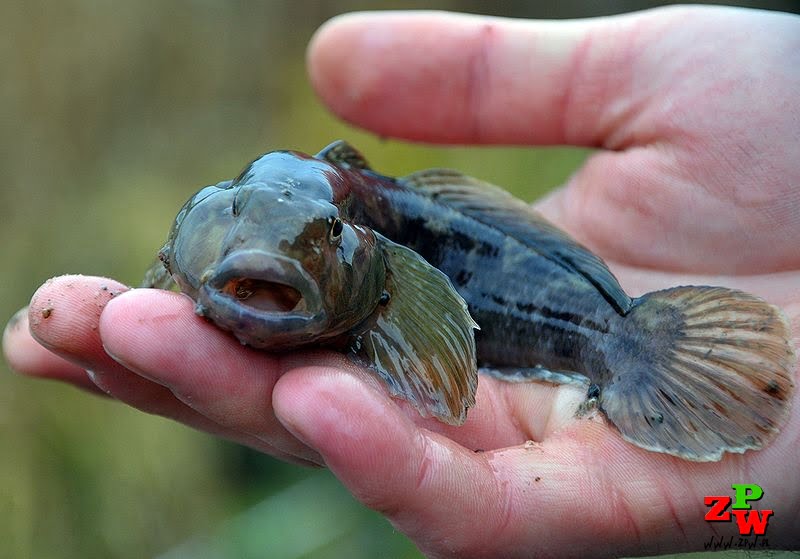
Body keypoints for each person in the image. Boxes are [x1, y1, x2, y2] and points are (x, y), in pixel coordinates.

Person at [3, 5, 799, 557]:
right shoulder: (214, 236)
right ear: (198, 224)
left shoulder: (383, 251)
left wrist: (764, 514)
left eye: (319, 245)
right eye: (236, 223)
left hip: (584, 314)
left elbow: (433, 350)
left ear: (367, 263)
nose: (268, 259)